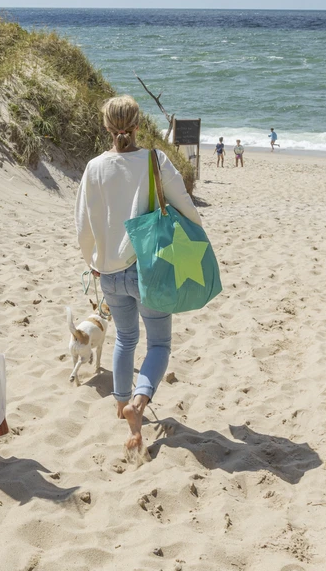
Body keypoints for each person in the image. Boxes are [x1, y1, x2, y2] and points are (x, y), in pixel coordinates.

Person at [76, 96, 203, 454]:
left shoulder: (94, 168)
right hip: (147, 269)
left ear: (106, 126)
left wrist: (92, 260)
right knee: (159, 343)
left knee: (125, 338)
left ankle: (120, 404)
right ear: (137, 125)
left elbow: (83, 223)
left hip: (109, 272)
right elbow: (183, 202)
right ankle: (139, 401)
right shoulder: (154, 160)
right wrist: (197, 232)